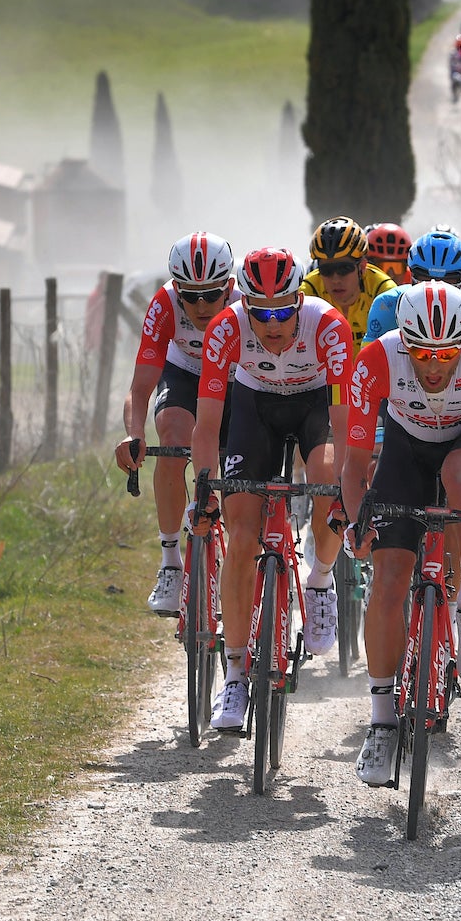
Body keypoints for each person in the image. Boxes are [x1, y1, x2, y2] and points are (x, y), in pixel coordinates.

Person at [341, 282, 461, 785]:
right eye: (421, 352)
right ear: (403, 341)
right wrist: (358, 520)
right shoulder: (377, 359)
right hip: (406, 446)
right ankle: (381, 723)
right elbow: (356, 460)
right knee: (386, 581)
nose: (432, 365)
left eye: (446, 353)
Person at [190, 249, 353, 731]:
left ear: (299, 300)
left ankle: (320, 578)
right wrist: (205, 489)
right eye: (260, 313)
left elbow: (345, 425)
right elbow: (206, 425)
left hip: (314, 406)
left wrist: (345, 485)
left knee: (326, 486)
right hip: (254, 409)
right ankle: (236, 674)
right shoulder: (226, 328)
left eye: (283, 310)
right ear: (245, 306)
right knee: (240, 539)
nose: (272, 323)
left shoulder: (327, 326)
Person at [115, 233, 238, 617]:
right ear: (176, 289)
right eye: (190, 296)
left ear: (229, 287)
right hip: (185, 374)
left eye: (211, 295)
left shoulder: (246, 304)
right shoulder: (164, 303)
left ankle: (244, 559)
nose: (200, 305)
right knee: (170, 441)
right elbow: (139, 389)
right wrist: (134, 434)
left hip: (238, 380)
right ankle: (170, 562)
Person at [364, 228, 461, 342]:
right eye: (426, 280)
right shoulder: (386, 305)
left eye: (447, 282)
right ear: (411, 276)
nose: (436, 290)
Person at [300, 216, 397, 350]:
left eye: (344, 269)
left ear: (362, 267)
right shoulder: (308, 293)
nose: (335, 279)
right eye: (326, 270)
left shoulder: (384, 292)